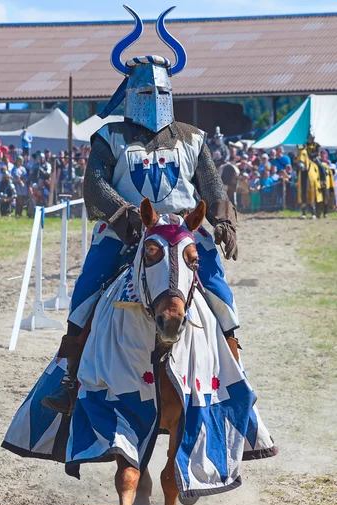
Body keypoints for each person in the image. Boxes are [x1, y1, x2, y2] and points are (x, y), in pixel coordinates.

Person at [42, 16, 239, 414]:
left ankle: (235, 372)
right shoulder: (109, 136)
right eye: (146, 90)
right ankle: (70, 375)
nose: (154, 97)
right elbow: (94, 187)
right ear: (132, 93)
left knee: (220, 294)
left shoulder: (191, 136)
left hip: (184, 232)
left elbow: (212, 186)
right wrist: (123, 212)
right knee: (88, 291)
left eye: (160, 90)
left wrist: (223, 220)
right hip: (126, 229)